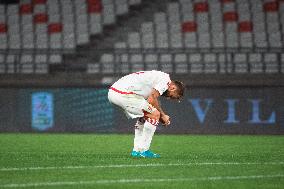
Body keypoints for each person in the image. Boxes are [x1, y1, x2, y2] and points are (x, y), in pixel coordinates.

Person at [108, 70, 185, 158]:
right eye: (173, 96)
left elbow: (150, 101)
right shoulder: (165, 81)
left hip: (116, 92)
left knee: (146, 117)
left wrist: (161, 116)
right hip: (122, 93)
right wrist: (162, 115)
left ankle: (137, 151)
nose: (169, 98)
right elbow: (152, 99)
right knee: (155, 114)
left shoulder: (159, 78)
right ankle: (144, 151)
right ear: (173, 88)